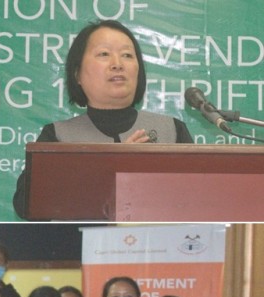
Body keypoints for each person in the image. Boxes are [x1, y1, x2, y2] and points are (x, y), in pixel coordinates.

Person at [13, 20, 194, 219]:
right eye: (104, 54)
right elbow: (26, 206)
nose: (117, 64)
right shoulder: (58, 137)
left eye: (127, 55)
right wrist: (113, 168)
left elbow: (196, 201)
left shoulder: (172, 130)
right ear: (77, 74)